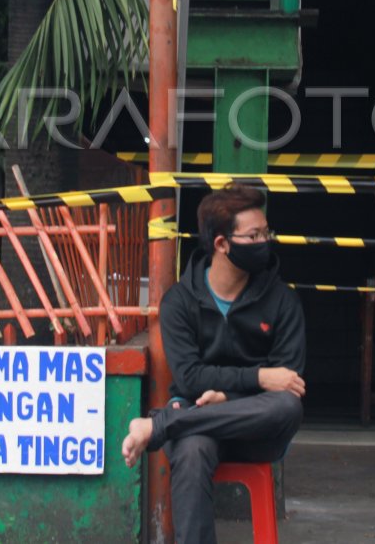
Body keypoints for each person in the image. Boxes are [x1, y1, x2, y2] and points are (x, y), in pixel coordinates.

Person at [121, 184, 305, 544]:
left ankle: (160, 425)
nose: (265, 241)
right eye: (254, 235)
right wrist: (258, 377)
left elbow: (290, 384)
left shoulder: (283, 302)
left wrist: (231, 400)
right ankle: (174, 425)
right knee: (191, 450)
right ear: (222, 244)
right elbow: (189, 378)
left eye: (266, 232)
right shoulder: (180, 301)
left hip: (255, 432)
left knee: (286, 405)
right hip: (198, 424)